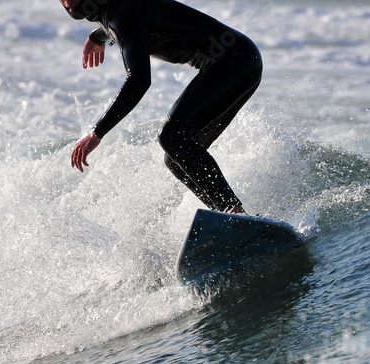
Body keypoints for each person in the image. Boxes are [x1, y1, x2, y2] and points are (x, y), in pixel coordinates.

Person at [60, 0, 262, 214]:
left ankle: (234, 212)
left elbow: (139, 79)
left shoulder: (122, 9)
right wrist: (96, 37)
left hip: (234, 60)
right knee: (176, 159)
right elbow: (121, 23)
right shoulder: (117, 12)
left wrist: (97, 132)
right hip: (241, 60)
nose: (68, 3)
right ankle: (234, 221)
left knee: (172, 136)